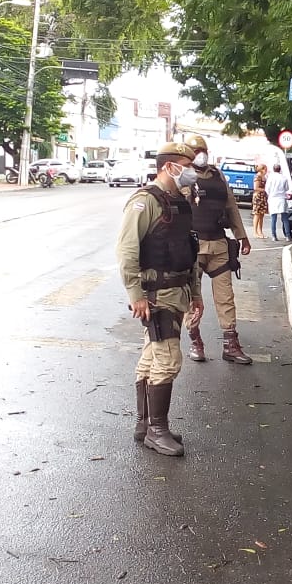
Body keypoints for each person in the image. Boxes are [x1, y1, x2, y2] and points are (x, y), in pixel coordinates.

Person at [116, 142, 205, 457]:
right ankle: (157, 430)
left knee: (151, 358)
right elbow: (127, 249)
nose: (193, 169)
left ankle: (145, 424)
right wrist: (135, 293)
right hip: (156, 295)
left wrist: (196, 293)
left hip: (177, 292)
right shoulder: (145, 201)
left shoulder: (178, 202)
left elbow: (189, 251)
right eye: (187, 163)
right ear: (170, 167)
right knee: (168, 360)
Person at [181, 134, 254, 365]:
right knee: (192, 296)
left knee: (226, 296)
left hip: (219, 244)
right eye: (195, 150)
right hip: (192, 246)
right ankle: (195, 341)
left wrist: (242, 236)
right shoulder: (181, 177)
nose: (200, 154)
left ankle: (230, 345)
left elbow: (231, 205)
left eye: (202, 149)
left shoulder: (218, 175)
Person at [265, 163, 290, 241]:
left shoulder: (270, 178)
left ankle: (274, 236)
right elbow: (287, 188)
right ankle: (287, 236)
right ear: (280, 169)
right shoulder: (284, 178)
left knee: (273, 218)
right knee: (285, 218)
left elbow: (267, 189)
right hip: (282, 198)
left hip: (273, 199)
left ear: (273, 169)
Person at [251, 164, 267, 238]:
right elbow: (256, 188)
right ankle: (255, 232)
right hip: (258, 196)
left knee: (262, 214)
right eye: (265, 169)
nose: (266, 170)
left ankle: (260, 231)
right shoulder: (258, 177)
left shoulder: (264, 177)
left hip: (263, 196)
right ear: (262, 169)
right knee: (257, 214)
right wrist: (265, 190)